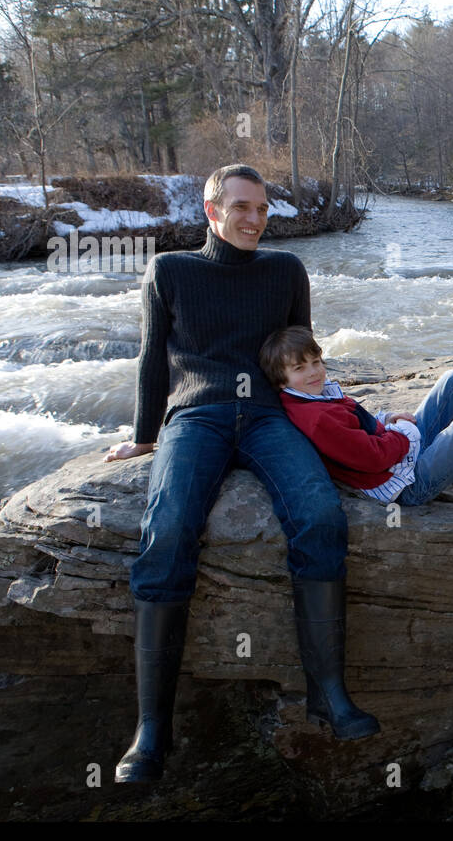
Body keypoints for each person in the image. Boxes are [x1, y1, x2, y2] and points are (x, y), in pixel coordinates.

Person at [103, 164, 377, 784]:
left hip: (266, 418)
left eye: (262, 209)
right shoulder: (170, 271)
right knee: (169, 528)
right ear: (211, 209)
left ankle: (328, 692)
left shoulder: (286, 271)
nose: (254, 219)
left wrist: (350, 415)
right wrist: (146, 437)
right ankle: (152, 730)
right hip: (195, 417)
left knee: (320, 514)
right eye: (242, 207)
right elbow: (152, 359)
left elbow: (300, 361)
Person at [258, 326, 453, 505]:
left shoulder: (315, 395)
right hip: (405, 484)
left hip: (401, 459)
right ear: (281, 380)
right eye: (299, 368)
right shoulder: (315, 419)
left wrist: (388, 418)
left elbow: (361, 422)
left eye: (316, 362)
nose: (313, 372)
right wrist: (402, 435)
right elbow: (372, 458)